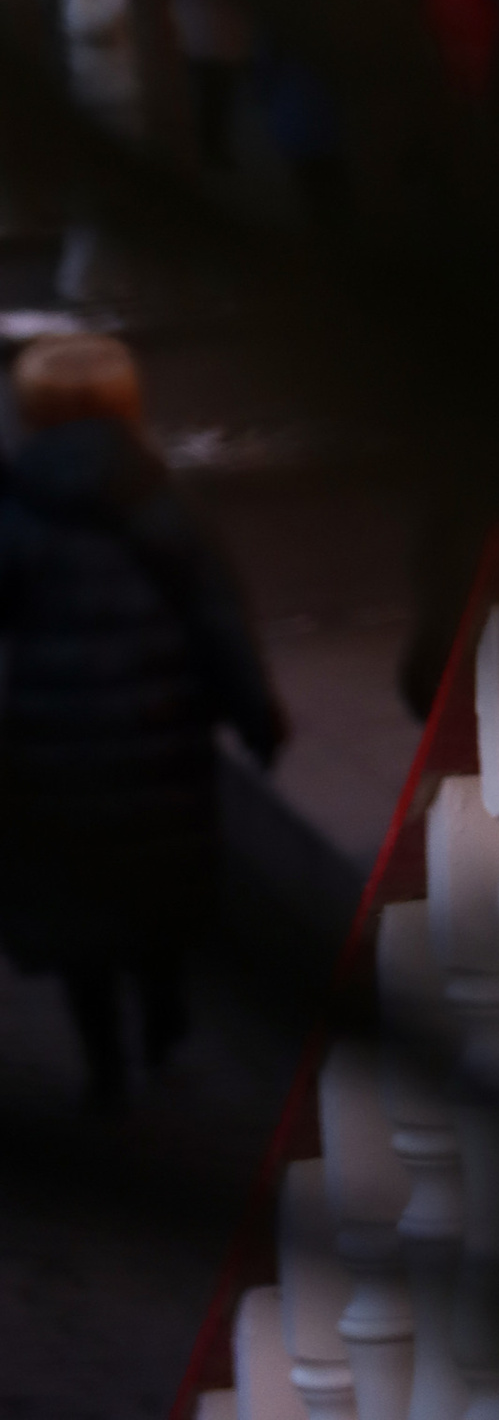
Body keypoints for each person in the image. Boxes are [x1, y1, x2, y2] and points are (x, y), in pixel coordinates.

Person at [0, 335, 285, 1111]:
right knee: (160, 892)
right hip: (160, 734)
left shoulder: (15, 502)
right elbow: (220, 620)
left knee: (74, 910)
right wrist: (257, 717)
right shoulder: (166, 497)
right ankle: (164, 1020)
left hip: (52, 741)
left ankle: (105, 1070)